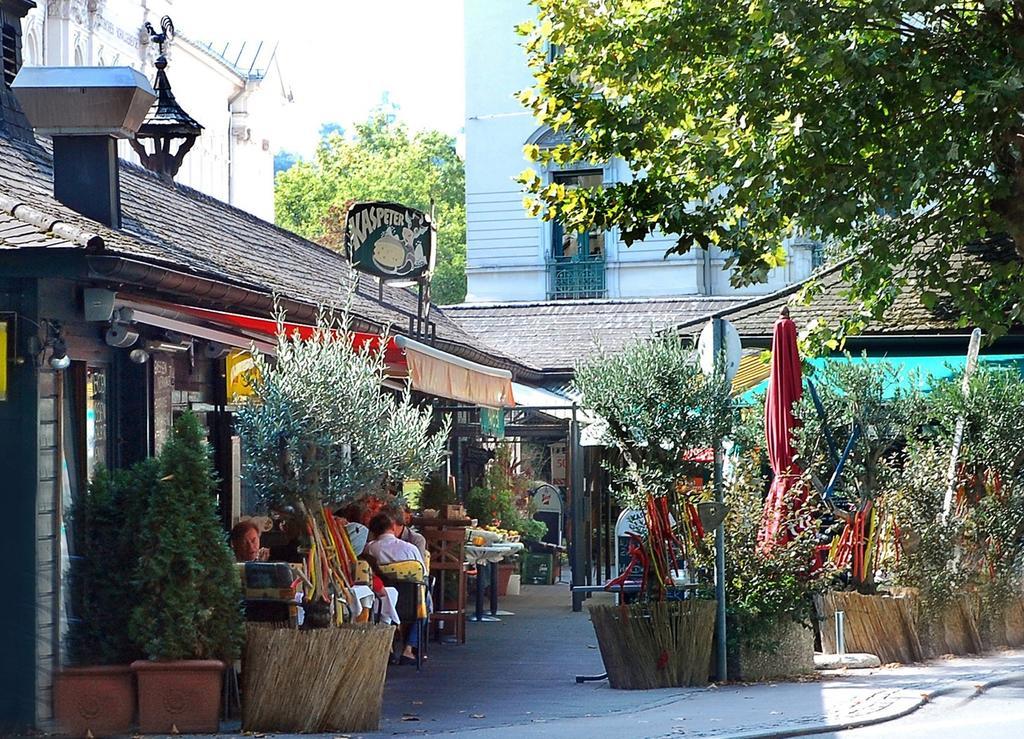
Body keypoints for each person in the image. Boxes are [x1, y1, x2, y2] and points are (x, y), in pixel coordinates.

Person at [365, 512, 427, 664]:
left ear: (373, 531)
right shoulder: (410, 548)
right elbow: (422, 572)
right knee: (424, 607)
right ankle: (409, 650)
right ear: (392, 527)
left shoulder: (370, 550)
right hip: (410, 603)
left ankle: (389, 648)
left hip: (382, 601)